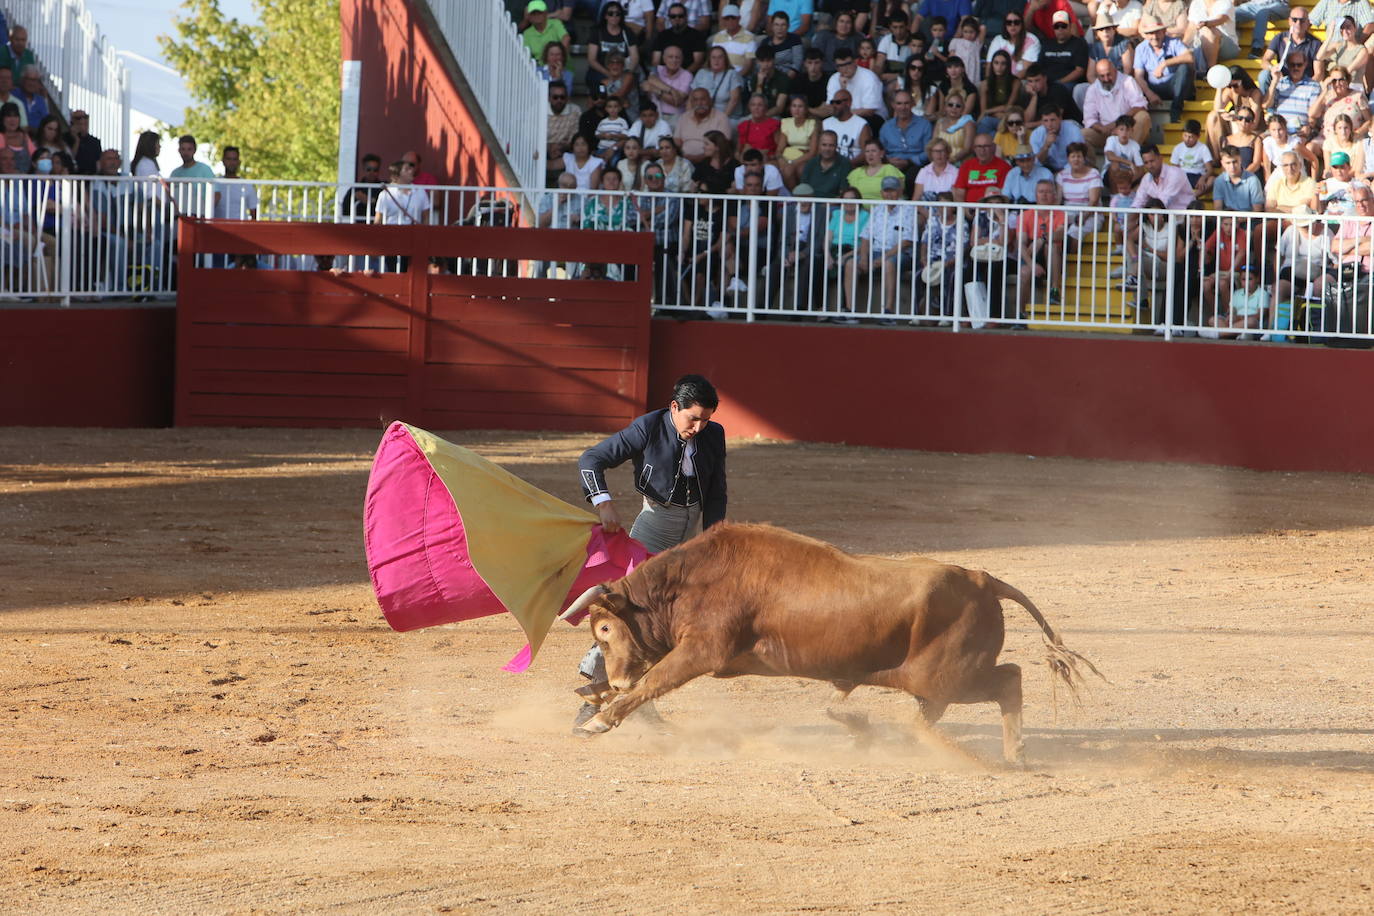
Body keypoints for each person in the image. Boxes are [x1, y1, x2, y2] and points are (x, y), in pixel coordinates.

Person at [573, 374, 726, 727]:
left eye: (706, 419)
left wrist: (714, 540)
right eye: (693, 418)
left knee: (669, 620)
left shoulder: (714, 435)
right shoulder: (648, 427)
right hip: (654, 526)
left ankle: (643, 704)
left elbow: (717, 491)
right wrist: (603, 502)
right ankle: (593, 698)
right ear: (675, 408)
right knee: (627, 611)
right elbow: (591, 459)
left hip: (690, 534)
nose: (700, 427)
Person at [1016, 178, 1068, 309]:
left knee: (1051, 245)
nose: (1044, 195)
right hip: (1030, 254)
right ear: (1035, 194)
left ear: (1054, 196)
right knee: (1024, 273)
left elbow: (1060, 233)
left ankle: (1054, 291)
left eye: (1048, 192)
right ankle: (1021, 314)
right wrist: (1031, 264)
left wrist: (1042, 239)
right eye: (1041, 192)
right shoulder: (1025, 215)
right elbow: (1021, 244)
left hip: (1053, 256)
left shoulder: (1060, 214)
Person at [1134, 17, 1193, 123]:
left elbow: (1190, 57)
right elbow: (1138, 76)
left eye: (1157, 32)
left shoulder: (1174, 42)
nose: (1154, 36)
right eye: (1150, 33)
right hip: (1153, 87)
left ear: (1164, 32)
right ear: (1146, 35)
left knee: (1184, 68)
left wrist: (1164, 64)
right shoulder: (1140, 48)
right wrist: (1149, 93)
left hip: (1174, 87)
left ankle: (1176, 111)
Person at [1257, 6, 1318, 93]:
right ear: (1289, 21)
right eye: (1294, 20)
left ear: (1308, 22)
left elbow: (1318, 73)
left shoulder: (1315, 43)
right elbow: (1265, 60)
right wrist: (1272, 68)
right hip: (1282, 79)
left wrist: (1305, 88)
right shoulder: (1279, 38)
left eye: (1302, 20)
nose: (1298, 23)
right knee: (1264, 75)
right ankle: (1269, 106)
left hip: (1304, 83)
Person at [587, 2, 640, 92]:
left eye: (617, 14)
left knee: (629, 79)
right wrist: (608, 73)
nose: (614, 16)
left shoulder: (627, 32)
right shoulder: (597, 32)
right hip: (601, 71)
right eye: (610, 14)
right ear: (605, 16)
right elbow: (591, 59)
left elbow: (635, 57)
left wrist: (624, 73)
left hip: (622, 71)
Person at [827, 47, 888, 122]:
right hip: (845, 116)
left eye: (848, 64)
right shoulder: (834, 79)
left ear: (855, 61)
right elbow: (831, 108)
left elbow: (869, 111)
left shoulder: (869, 77)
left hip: (871, 117)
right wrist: (843, 89)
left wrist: (844, 113)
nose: (845, 69)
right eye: (840, 66)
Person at [674, 87, 733, 160]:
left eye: (703, 99)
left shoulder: (721, 118)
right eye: (695, 100)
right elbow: (677, 143)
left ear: (710, 101)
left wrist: (698, 158)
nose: (699, 103)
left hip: (710, 161)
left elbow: (723, 146)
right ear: (691, 103)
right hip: (684, 160)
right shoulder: (684, 117)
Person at [1134, 143, 1197, 208]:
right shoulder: (1146, 179)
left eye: (1152, 161)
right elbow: (1138, 202)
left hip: (1185, 216)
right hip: (1162, 216)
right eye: (1146, 163)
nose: (1150, 166)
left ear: (1161, 158)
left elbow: (1163, 202)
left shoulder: (1175, 173)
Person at [977, 50, 1024, 135]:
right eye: (996, 63)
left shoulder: (1015, 82)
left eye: (1003, 64)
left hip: (1008, 118)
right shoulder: (985, 84)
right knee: (985, 122)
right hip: (991, 118)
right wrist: (992, 113)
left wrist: (988, 112)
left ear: (1008, 65)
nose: (999, 67)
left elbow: (1008, 107)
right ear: (992, 65)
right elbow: (982, 111)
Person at [954, 133, 1011, 201]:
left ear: (993, 147)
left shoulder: (1004, 167)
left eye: (986, 146)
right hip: (969, 209)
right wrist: (964, 209)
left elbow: (1004, 195)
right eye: (979, 146)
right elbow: (959, 193)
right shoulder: (966, 166)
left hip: (992, 209)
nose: (982, 150)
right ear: (974, 148)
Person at [693, 45, 745, 118]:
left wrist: (721, 120)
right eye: (713, 57)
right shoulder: (701, 73)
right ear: (709, 59)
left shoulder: (732, 74)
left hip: (728, 117)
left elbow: (734, 100)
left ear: (725, 59)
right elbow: (691, 98)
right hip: (704, 116)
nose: (716, 60)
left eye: (720, 57)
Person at [1039, 10, 1090, 86]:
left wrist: (1059, 83)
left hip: (1068, 84)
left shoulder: (1079, 44)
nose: (1060, 29)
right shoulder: (1046, 44)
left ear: (1070, 26)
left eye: (1063, 26)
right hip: (1046, 84)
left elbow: (1079, 71)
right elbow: (1039, 67)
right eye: (1056, 26)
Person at [652, 3, 708, 71]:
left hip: (688, 76)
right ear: (669, 18)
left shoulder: (697, 36)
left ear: (686, 17)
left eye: (680, 16)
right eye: (673, 16)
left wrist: (682, 77)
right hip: (664, 76)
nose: (677, 18)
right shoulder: (662, 36)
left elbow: (697, 62)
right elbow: (655, 62)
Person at [822, 89, 873, 164]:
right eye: (832, 102)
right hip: (829, 166)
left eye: (838, 102)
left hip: (852, 166)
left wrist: (846, 165)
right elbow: (819, 150)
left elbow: (866, 152)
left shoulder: (861, 125)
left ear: (848, 103)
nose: (834, 106)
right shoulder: (826, 123)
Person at [1030, 103, 1083, 172]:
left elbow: (1078, 157)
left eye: (1052, 120)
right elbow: (1037, 162)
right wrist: (1046, 146)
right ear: (1041, 122)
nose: (1049, 125)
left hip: (1071, 168)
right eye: (1046, 121)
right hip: (1048, 169)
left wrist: (1062, 173)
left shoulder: (1073, 130)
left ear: (1060, 118)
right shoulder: (1036, 134)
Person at [986, 12, 1041, 78]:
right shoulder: (998, 40)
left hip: (1022, 82)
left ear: (1022, 24)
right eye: (1009, 23)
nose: (1012, 25)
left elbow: (1026, 70)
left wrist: (1009, 84)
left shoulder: (1032, 40)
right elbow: (989, 66)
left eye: (1016, 22)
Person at [1213, 144, 1265, 211]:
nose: (1232, 166)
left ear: (1240, 159)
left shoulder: (1253, 180)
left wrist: (1237, 220)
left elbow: (1257, 210)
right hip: (1226, 220)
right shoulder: (1219, 181)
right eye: (1228, 163)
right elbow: (1218, 209)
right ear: (1222, 163)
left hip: (1248, 220)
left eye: (1234, 162)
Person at [710, 4, 757, 74]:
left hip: (739, 77)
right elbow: (713, 60)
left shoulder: (749, 37)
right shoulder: (718, 37)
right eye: (727, 18)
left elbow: (748, 65)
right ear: (723, 20)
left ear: (739, 18)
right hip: (719, 76)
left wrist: (734, 79)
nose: (730, 21)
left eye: (733, 18)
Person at [802, 128, 849, 196]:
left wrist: (825, 206)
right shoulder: (811, 163)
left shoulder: (844, 164)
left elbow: (843, 194)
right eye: (824, 145)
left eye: (831, 145)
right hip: (811, 204)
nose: (827, 149)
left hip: (833, 205)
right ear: (819, 145)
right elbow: (803, 190)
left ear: (836, 146)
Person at [1171, 119, 1214, 192]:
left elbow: (1210, 169)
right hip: (1183, 175)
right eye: (1185, 135)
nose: (1187, 139)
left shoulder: (1203, 148)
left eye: (1191, 137)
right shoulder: (1178, 148)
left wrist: (1203, 178)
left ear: (1198, 136)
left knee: (1212, 179)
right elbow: (1175, 168)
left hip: (1197, 176)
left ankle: (1194, 196)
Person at [759, 10, 804, 77]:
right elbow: (761, 62)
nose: (779, 28)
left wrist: (785, 80)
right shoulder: (765, 42)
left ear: (788, 26)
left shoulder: (795, 39)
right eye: (776, 25)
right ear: (772, 26)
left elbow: (797, 62)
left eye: (783, 25)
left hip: (789, 77)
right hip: (769, 76)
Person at [65, 109, 101, 175]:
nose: (82, 119)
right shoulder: (65, 138)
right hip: (73, 177)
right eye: (78, 118)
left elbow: (98, 164)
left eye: (85, 117)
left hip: (90, 178)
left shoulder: (95, 142)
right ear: (72, 121)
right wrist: (76, 140)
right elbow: (69, 159)